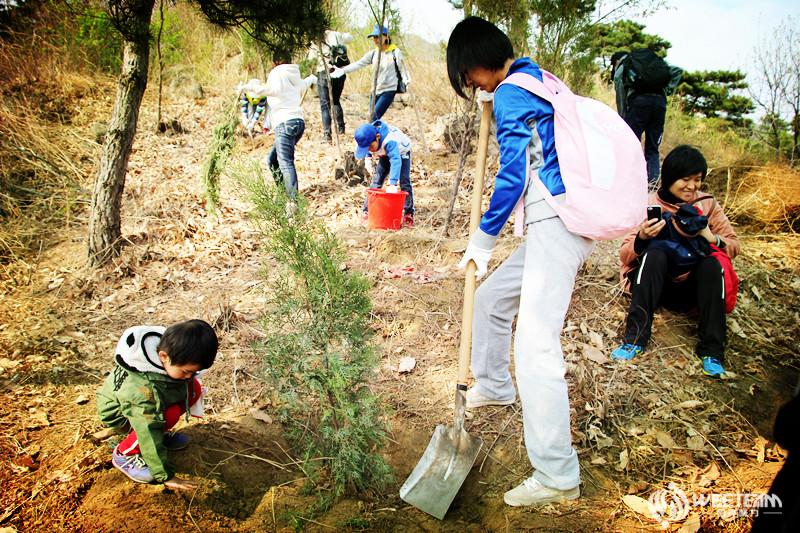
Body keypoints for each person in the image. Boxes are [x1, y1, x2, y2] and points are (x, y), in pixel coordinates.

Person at [446, 16, 595, 507]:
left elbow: (513, 173)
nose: (471, 85)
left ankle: (557, 474)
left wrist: (484, 239)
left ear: (476, 62)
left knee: (535, 347)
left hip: (555, 217)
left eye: (468, 76)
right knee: (490, 299)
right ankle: (493, 384)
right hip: (559, 219)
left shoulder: (514, 91)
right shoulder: (538, 78)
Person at [612, 145, 740, 377]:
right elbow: (624, 255)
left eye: (698, 179)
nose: (692, 186)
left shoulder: (708, 205)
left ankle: (712, 352)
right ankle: (635, 340)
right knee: (655, 253)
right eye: (685, 179)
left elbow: (733, 245)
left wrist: (713, 239)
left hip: (691, 289)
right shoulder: (650, 204)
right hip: (656, 287)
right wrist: (642, 238)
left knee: (712, 264)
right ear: (670, 177)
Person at [96, 319, 218, 489]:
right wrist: (165, 476)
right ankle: (124, 453)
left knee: (193, 388)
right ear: (163, 357)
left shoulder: (170, 349)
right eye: (186, 371)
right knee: (168, 415)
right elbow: (147, 427)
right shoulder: (143, 392)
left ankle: (160, 434)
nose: (190, 375)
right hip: (121, 415)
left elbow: (185, 381)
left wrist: (187, 377)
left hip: (145, 401)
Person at [610, 49, 683, 185]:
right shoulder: (654, 63)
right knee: (652, 148)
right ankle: (652, 185)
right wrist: (665, 90)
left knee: (631, 144)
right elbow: (678, 71)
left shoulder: (624, 64)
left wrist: (622, 117)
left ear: (616, 61)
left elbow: (620, 91)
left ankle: (630, 182)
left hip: (638, 104)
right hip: (659, 104)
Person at [262, 49, 317, 201]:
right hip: (298, 122)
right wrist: (312, 78)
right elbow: (302, 86)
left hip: (284, 123)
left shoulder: (276, 73)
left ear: (275, 63)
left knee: (285, 162)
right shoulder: (293, 73)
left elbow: (271, 91)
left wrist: (251, 88)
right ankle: (283, 194)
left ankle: (292, 202)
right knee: (273, 160)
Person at [330, 25, 410, 121]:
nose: (376, 40)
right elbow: (359, 64)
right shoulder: (374, 53)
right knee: (371, 119)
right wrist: (342, 70)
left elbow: (403, 69)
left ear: (386, 36)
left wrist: (407, 81)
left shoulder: (395, 52)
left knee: (373, 117)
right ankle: (376, 135)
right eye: (374, 37)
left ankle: (374, 134)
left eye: (378, 37)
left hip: (388, 90)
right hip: (374, 91)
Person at [354, 120, 414, 227]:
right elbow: (366, 145)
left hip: (401, 153)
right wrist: (367, 157)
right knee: (376, 181)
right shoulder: (369, 137)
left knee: (404, 182)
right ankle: (367, 211)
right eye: (366, 148)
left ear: (377, 137)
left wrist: (393, 183)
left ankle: (408, 213)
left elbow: (396, 160)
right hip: (384, 154)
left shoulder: (389, 141)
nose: (369, 149)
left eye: (370, 147)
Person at [307, 30, 354, 142]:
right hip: (340, 72)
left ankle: (327, 135)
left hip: (324, 72)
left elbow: (310, 62)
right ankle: (341, 129)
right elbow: (349, 38)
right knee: (336, 100)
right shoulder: (335, 34)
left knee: (325, 105)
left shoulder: (314, 43)